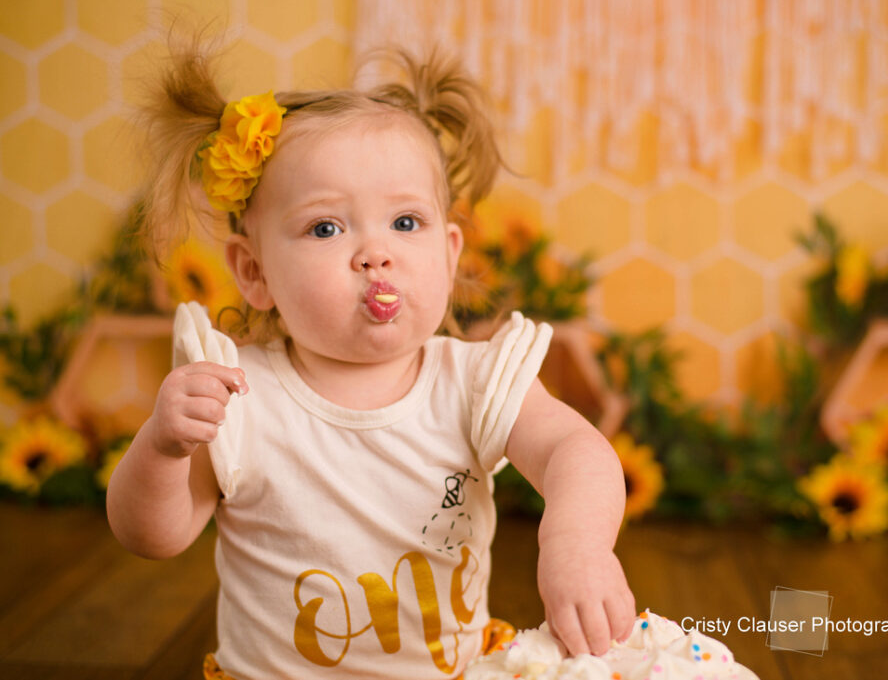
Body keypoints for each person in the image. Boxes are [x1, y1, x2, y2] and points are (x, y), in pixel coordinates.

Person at [106, 34, 634, 680]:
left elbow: (574, 451)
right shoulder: (240, 396)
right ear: (254, 271)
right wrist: (162, 447)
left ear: (448, 253)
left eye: (405, 223)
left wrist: (575, 545)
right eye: (326, 228)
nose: (374, 254)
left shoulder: (472, 381)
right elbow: (152, 535)